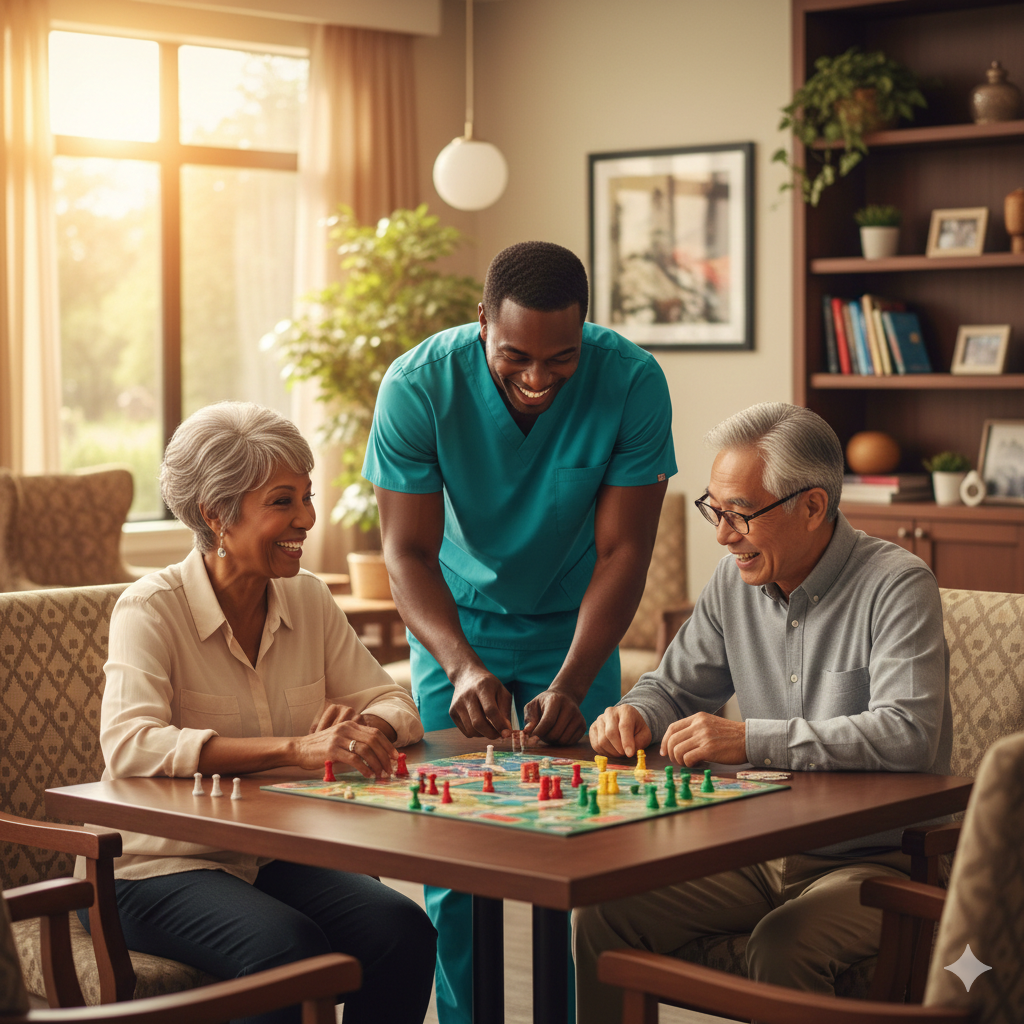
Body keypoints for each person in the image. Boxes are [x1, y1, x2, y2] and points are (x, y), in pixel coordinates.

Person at [363, 241, 676, 1024]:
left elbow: (625, 550)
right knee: (456, 855)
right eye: (516, 357)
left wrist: (575, 679)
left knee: (574, 848)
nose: (538, 378)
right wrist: (461, 665)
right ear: (482, 322)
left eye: (560, 359)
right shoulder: (417, 385)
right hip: (455, 624)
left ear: (585, 331)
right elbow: (405, 553)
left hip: (576, 629)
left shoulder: (632, 381)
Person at [573, 402, 953, 1024]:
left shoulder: (897, 584)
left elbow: (906, 733)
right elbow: (673, 687)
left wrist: (750, 740)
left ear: (813, 507)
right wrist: (636, 714)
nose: (723, 535)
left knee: (783, 943)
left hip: (875, 861)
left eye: (741, 514)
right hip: (760, 854)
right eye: (715, 510)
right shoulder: (733, 582)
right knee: (605, 914)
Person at [77, 402, 436, 1024]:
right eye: (282, 501)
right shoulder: (150, 609)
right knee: (287, 950)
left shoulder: (308, 597)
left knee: (401, 930)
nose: (308, 518)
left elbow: (395, 702)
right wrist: (295, 749)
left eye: (307, 496)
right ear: (216, 515)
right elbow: (131, 746)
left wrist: (363, 730)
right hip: (151, 867)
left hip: (269, 855)